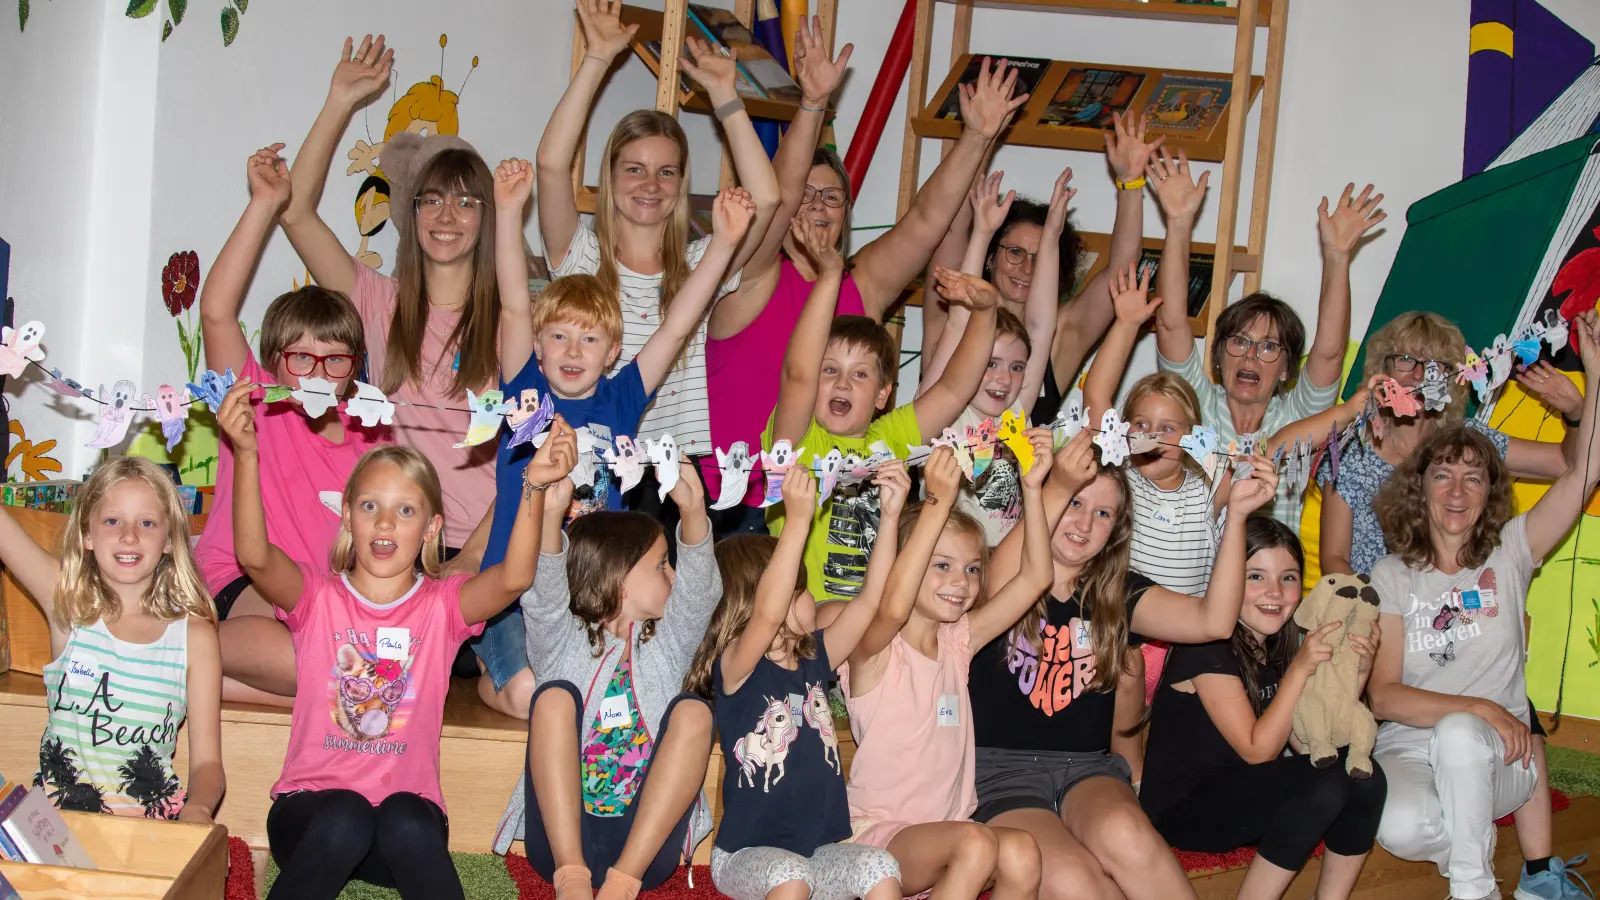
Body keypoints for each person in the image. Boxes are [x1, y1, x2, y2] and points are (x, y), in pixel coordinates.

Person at [224, 377, 579, 900]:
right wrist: (247, 454)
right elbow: (255, 558)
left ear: (432, 528)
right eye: (370, 506)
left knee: (407, 818)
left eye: (406, 510)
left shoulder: (441, 607)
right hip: (311, 820)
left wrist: (534, 484)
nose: (386, 521)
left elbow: (513, 579)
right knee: (346, 812)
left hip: (399, 831)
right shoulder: (317, 597)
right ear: (347, 515)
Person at [706, 42, 1030, 535]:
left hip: (839, 514)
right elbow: (780, 194)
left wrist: (978, 135)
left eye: (832, 197)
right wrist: (812, 103)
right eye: (808, 195)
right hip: (738, 510)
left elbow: (925, 222)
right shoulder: (748, 274)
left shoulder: (862, 287)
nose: (817, 207)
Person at [472, 162, 755, 718]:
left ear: (611, 353)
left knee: (617, 698)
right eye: (558, 337)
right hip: (516, 592)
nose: (573, 351)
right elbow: (510, 303)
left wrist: (721, 245)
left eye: (589, 338)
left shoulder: (622, 400)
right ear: (538, 344)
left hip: (600, 595)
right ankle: (483, 672)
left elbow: (676, 326)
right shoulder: (526, 391)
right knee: (537, 698)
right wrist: (508, 214)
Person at [1317, 311, 1584, 896]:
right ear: (1420, 487)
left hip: (1484, 735)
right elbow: (1335, 559)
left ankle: (1488, 885)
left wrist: (1581, 403)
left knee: (1468, 728)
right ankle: (1478, 845)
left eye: (1473, 478)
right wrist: (1368, 614)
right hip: (1381, 630)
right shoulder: (1385, 560)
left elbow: (1578, 470)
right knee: (1401, 824)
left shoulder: (1509, 546)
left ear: (1492, 488)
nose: (1457, 489)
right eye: (1443, 477)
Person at [971, 430, 1278, 900]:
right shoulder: (1002, 572)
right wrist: (1056, 484)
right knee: (1078, 881)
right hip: (999, 772)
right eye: (1075, 502)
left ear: (1116, 528)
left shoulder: (1117, 591)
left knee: (1132, 840)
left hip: (1087, 769)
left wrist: (1236, 515)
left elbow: (1214, 622)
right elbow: (1003, 582)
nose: (1084, 523)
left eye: (1102, 513)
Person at [281, 36, 501, 568]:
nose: (447, 215)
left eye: (466, 201)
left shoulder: (515, 321)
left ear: (487, 217)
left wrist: (466, 565)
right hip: (397, 548)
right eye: (432, 199)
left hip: (485, 551)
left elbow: (527, 459)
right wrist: (339, 101)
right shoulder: (378, 300)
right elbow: (294, 213)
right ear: (411, 211)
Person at [537, 0, 779, 465]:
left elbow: (766, 199)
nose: (651, 185)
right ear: (610, 178)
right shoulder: (581, 258)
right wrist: (598, 57)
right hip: (588, 464)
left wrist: (727, 98)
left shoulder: (703, 263)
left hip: (674, 475)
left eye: (667, 172)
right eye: (635, 169)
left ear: (681, 184)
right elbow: (550, 165)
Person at [199, 144, 388, 709]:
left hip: (328, 602)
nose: (316, 374)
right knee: (325, 666)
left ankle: (197, 679)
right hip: (246, 583)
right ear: (275, 361)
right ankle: (176, 648)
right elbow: (215, 312)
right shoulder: (258, 401)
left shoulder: (372, 434)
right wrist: (265, 203)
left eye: (335, 361)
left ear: (354, 368)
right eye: (300, 359)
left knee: (357, 669)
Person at [492, 459, 722, 900]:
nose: (673, 574)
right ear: (619, 578)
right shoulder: (561, 642)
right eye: (661, 565)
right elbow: (542, 598)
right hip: (561, 838)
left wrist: (694, 512)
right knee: (554, 696)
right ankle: (573, 881)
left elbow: (699, 592)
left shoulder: (669, 645)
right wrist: (551, 518)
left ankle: (621, 885)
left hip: (644, 844)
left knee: (694, 711)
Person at [835, 438, 1054, 900]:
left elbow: (1036, 578)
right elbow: (892, 607)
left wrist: (1033, 488)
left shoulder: (957, 642)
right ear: (906, 566)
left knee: (1023, 851)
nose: (962, 582)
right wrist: (934, 501)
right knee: (975, 843)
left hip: (951, 834)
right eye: (942, 565)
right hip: (877, 836)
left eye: (973, 569)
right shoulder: (872, 647)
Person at [684, 462, 907, 900]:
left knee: (882, 867)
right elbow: (767, 614)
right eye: (802, 590)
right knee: (790, 878)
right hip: (747, 855)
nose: (816, 599)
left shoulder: (815, 658)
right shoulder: (736, 667)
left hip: (819, 852)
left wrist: (892, 515)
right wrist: (798, 520)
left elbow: (869, 603)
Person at [1141, 517, 1387, 900]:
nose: (1274, 592)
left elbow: (1312, 745)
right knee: (1323, 784)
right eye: (1256, 576)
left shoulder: (1277, 645)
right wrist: (1301, 670)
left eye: (1288, 578)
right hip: (1186, 811)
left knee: (1365, 776)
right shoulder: (1206, 648)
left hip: (1244, 795)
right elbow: (1258, 751)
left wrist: (1360, 672)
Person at [1148, 149, 1386, 532]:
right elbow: (1172, 325)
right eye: (1238, 342)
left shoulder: (1297, 416)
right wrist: (1178, 224)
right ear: (1218, 356)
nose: (1251, 357)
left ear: (1287, 368)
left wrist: (1338, 257)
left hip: (1271, 578)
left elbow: (1329, 352)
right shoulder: (1194, 407)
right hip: (1196, 576)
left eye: (1269, 347)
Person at [765, 222, 1001, 604]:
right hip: (802, 619)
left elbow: (955, 388)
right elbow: (796, 374)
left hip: (873, 619)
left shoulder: (888, 439)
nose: (842, 383)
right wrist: (829, 276)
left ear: (882, 395)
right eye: (830, 370)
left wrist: (986, 312)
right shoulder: (801, 438)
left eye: (860, 374)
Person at [0, 456, 223, 822]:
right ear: (87, 534)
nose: (129, 535)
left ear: (169, 540)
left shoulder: (195, 636)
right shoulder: (68, 606)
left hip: (149, 832)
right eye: (112, 520)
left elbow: (209, 764)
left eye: (147, 522)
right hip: (60, 828)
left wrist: (197, 808)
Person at [923, 111, 1160, 423]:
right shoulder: (951, 308)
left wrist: (1131, 183)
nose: (1027, 268)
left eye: (1040, 257)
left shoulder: (1059, 334)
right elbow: (952, 227)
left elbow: (1122, 272)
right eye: (1016, 252)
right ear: (990, 257)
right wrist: (980, 138)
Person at [914, 171, 1070, 546]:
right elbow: (958, 321)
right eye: (991, 364)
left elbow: (1041, 325)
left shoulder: (1015, 411)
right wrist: (982, 233)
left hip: (1001, 561)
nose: (1005, 378)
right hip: (944, 551)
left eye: (1017, 368)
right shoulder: (943, 405)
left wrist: (1051, 238)